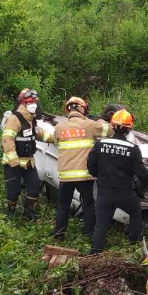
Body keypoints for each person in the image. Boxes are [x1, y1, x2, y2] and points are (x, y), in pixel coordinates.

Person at [87, 110, 148, 255]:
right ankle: (134, 243)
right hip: (125, 193)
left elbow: (91, 165)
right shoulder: (133, 149)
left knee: (101, 225)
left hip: (104, 193)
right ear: (128, 128)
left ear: (112, 126)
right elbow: (140, 172)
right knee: (136, 213)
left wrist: (100, 177)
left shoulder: (100, 144)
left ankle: (94, 253)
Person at [53, 96, 111, 240]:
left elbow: (55, 140)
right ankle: (88, 233)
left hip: (66, 176)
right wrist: (101, 119)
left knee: (63, 205)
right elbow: (109, 131)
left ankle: (59, 234)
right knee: (88, 203)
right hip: (84, 175)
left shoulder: (59, 127)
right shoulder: (90, 125)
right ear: (81, 108)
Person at [1, 88, 51, 221]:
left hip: (28, 162)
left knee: (35, 187)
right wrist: (14, 161)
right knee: (13, 191)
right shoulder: (14, 119)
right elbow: (7, 139)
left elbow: (40, 134)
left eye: (34, 102)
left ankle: (28, 214)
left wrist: (57, 137)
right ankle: (10, 213)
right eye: (29, 102)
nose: (33, 105)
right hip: (13, 163)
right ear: (23, 103)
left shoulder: (32, 119)